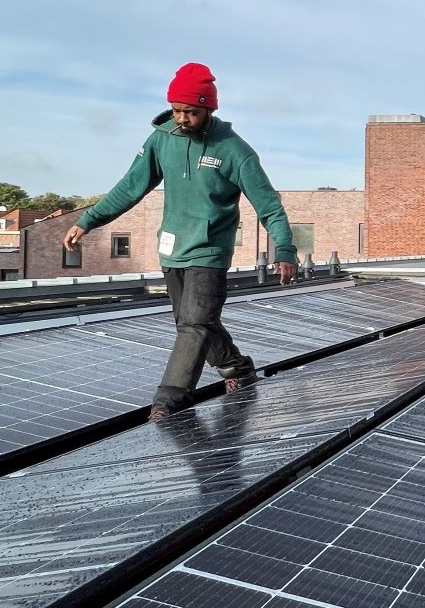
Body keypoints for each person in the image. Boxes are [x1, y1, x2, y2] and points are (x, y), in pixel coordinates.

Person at [63, 62, 298, 421]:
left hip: (210, 250)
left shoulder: (234, 151)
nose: (182, 118)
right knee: (194, 322)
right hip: (172, 248)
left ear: (209, 109)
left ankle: (169, 399)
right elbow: (131, 187)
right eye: (177, 110)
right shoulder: (161, 139)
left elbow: (269, 205)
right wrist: (88, 221)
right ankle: (237, 369)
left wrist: (285, 249)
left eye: (191, 112)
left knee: (195, 323)